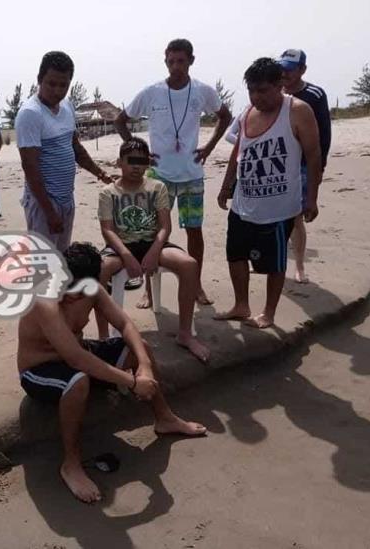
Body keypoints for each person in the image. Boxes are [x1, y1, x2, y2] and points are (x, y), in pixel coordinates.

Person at [18, 242, 206, 503]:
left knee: (141, 347)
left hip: (78, 355)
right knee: (78, 380)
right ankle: (71, 463)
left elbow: (124, 323)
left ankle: (164, 417)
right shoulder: (45, 300)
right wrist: (131, 381)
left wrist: (144, 366)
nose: (69, 295)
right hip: (39, 370)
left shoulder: (93, 289)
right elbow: (76, 358)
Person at [115, 38, 232, 305]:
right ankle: (147, 288)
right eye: (171, 61)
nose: (176, 66)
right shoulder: (151, 92)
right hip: (159, 177)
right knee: (150, 231)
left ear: (192, 60)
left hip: (192, 175)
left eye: (181, 61)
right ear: (165, 61)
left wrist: (209, 147)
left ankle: (197, 285)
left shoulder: (203, 91)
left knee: (194, 231)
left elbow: (225, 116)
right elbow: (121, 121)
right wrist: (139, 153)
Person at [215, 58, 321, 329]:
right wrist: (226, 187)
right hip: (244, 201)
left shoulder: (298, 111)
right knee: (235, 254)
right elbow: (237, 153)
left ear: (280, 85)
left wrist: (311, 198)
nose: (256, 96)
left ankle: (268, 313)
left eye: (263, 90)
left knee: (274, 263)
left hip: (279, 206)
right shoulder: (247, 112)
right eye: (251, 90)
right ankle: (241, 305)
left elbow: (313, 156)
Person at [95, 138, 210, 362]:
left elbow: (165, 226)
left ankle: (185, 333)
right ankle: (103, 340)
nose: (136, 167)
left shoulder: (157, 187)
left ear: (148, 163)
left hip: (152, 241)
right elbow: (108, 231)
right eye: (131, 161)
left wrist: (154, 251)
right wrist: (127, 256)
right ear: (119, 162)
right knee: (99, 270)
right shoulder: (108, 192)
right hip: (121, 245)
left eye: (142, 161)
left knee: (189, 265)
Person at [16, 51, 112, 252]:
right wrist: (49, 212)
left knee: (61, 258)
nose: (57, 91)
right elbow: (30, 168)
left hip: (66, 197)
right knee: (43, 263)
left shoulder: (67, 106)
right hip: (44, 201)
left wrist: (100, 173)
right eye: (51, 84)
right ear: (39, 79)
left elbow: (75, 147)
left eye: (63, 85)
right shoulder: (30, 114)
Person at [279, 49, 332, 283]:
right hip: (276, 164)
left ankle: (299, 266)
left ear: (302, 70)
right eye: (282, 68)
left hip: (302, 165)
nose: (285, 73)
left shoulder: (315, 95)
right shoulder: (273, 91)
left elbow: (324, 136)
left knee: (296, 217)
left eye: (290, 68)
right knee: (270, 218)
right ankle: (272, 261)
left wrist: (318, 171)